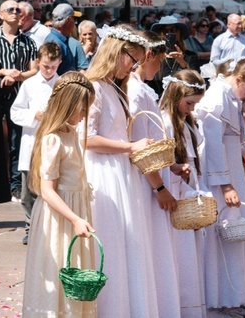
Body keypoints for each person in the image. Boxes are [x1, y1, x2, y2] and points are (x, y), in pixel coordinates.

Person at [81, 26, 160, 318]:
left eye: (138, 61)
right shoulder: (94, 88)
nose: (134, 67)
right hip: (102, 174)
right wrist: (130, 147)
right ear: (116, 51)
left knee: (128, 246)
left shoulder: (115, 88)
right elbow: (87, 139)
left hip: (118, 172)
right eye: (132, 58)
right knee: (110, 244)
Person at [21, 72, 97, 318]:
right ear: (68, 105)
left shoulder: (71, 133)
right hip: (59, 216)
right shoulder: (53, 138)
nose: (84, 115)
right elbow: (46, 190)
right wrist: (74, 218)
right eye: (82, 109)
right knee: (60, 271)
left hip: (75, 209)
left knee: (76, 270)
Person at [196, 57, 245, 314]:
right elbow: (212, 143)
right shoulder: (217, 96)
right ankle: (224, 299)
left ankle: (242, 296)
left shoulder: (231, 96)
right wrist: (225, 185)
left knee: (239, 230)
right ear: (237, 79)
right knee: (226, 230)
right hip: (222, 173)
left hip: (233, 167)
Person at [125, 31, 182, 318]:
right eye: (159, 61)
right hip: (146, 180)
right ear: (148, 57)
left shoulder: (143, 89)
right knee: (151, 244)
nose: (159, 68)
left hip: (156, 174)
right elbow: (139, 146)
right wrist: (159, 188)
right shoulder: (135, 92)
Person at [159, 69, 208, 318]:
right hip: (176, 186)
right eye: (188, 102)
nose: (190, 108)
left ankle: (192, 306)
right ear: (176, 94)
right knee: (180, 251)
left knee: (192, 251)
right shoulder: (165, 121)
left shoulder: (186, 120)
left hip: (189, 184)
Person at [0, 0, 39, 201]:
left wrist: (18, 76)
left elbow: (35, 69)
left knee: (17, 140)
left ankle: (16, 185)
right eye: (11, 10)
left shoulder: (28, 42)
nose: (16, 13)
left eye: (18, 10)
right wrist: (4, 72)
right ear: (2, 15)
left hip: (19, 95)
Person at [11, 42, 62, 245]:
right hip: (32, 140)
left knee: (50, 184)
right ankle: (30, 225)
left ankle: (48, 225)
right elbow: (16, 111)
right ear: (38, 62)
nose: (49, 71)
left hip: (52, 141)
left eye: (53, 67)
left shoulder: (61, 84)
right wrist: (35, 115)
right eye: (45, 66)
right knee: (28, 190)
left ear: (59, 63)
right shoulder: (29, 84)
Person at [150, 15, 199, 96]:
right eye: (165, 30)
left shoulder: (190, 56)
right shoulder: (153, 56)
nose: (169, 33)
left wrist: (183, 63)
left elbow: (196, 82)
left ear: (179, 33)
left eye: (173, 29)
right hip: (157, 100)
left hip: (181, 101)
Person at [44, 3, 88, 75]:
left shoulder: (60, 40)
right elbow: (49, 73)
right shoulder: (54, 42)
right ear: (68, 20)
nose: (75, 22)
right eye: (74, 19)